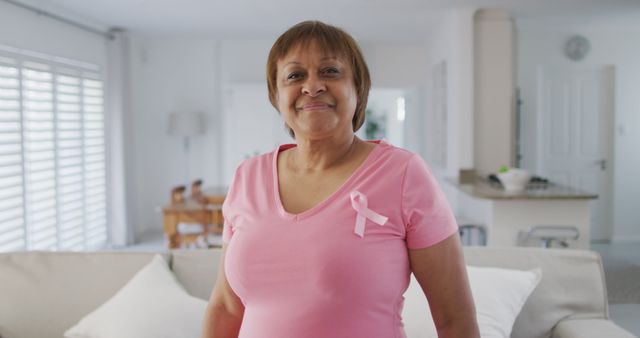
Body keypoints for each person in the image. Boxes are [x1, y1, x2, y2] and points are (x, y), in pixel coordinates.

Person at [202, 20, 479, 338]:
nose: (312, 86)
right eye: (295, 75)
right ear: (275, 95)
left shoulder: (404, 174)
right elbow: (226, 306)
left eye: (330, 71)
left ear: (358, 88)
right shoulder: (246, 177)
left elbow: (453, 317)